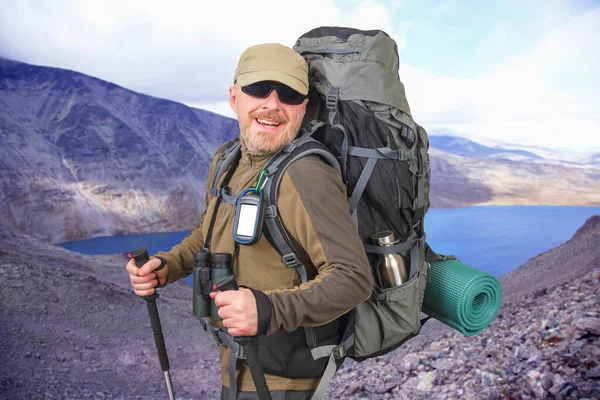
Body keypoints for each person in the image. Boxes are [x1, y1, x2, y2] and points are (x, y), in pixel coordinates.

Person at [126, 43, 372, 400]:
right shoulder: (229, 160)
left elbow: (353, 278)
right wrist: (167, 266)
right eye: (258, 89)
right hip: (239, 363)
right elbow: (208, 235)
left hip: (281, 379)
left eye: (288, 94)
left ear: (302, 107)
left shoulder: (305, 175)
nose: (272, 105)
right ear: (233, 96)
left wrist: (268, 308)